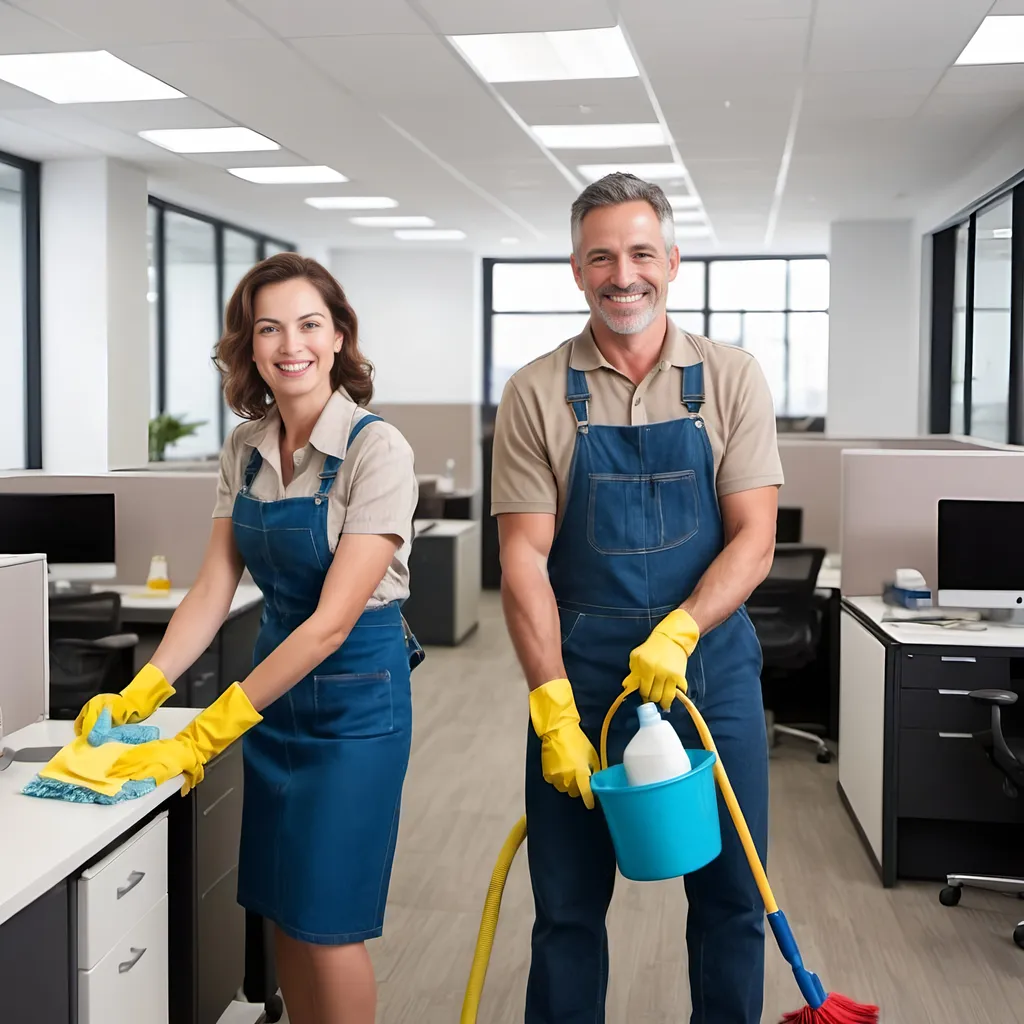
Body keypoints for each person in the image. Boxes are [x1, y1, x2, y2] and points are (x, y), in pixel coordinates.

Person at [75, 253, 421, 1024]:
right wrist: (147, 687)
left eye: (307, 324)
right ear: (250, 345)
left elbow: (331, 623)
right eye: (269, 328)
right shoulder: (245, 448)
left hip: (354, 705)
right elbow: (212, 588)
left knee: (327, 923)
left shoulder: (376, 450)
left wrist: (207, 731)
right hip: (275, 694)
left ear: (337, 338)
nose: (288, 343)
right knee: (280, 911)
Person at [491, 173, 783, 1024]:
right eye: (603, 257)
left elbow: (754, 538)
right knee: (568, 909)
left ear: (674, 261)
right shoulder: (537, 392)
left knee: (732, 897)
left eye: (642, 253)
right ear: (577, 271)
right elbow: (523, 560)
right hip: (579, 676)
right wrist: (551, 706)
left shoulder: (730, 378)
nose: (625, 275)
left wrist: (683, 631)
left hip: (711, 669)